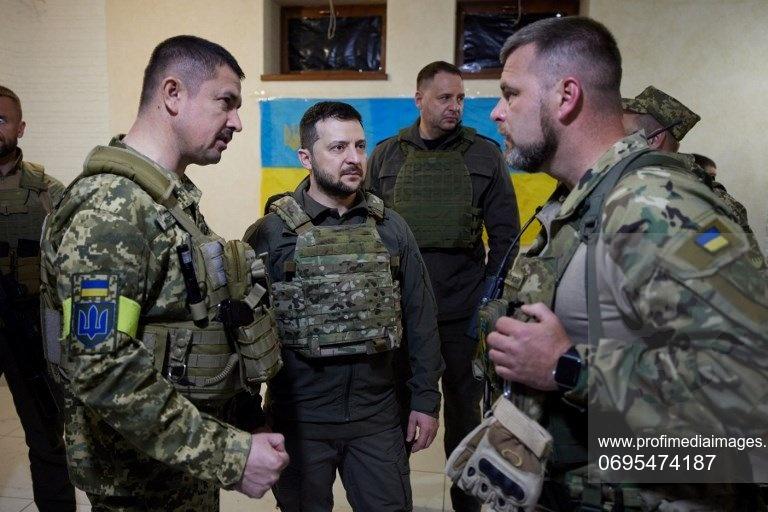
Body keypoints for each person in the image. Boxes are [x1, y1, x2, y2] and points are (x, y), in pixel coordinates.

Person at [481, 15, 767, 510]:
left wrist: (568, 366)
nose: (496, 112)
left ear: (566, 97)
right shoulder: (579, 202)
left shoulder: (656, 207)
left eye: (511, 94)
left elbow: (749, 393)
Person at [39, 35, 288, 511]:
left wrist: (242, 415)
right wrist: (232, 456)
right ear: (173, 94)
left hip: (177, 469)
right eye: (226, 102)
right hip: (138, 484)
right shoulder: (112, 210)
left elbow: (193, 326)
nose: (237, 121)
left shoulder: (166, 203)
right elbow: (100, 367)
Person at [243, 101, 443, 512]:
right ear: (306, 157)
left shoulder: (391, 228)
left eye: (360, 146)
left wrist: (426, 400)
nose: (354, 158)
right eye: (338, 148)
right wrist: (250, 416)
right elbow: (246, 330)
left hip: (377, 420)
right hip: (300, 421)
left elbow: (420, 317)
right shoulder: (271, 234)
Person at [367, 61, 519, 512]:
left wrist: (487, 303)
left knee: (464, 418)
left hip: (462, 314)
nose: (455, 106)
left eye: (460, 98)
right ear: (419, 100)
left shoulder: (485, 155)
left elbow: (506, 239)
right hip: (399, 315)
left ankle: (466, 506)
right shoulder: (386, 156)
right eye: (444, 98)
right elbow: (367, 232)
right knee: (392, 416)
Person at [0, 85, 76, 511]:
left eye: (1, 119)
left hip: (27, 328)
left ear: (21, 127)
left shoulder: (48, 192)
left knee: (47, 438)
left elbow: (72, 265)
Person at [623, 86, 753, 233]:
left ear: (654, 139)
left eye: (623, 134)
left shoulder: (707, 201)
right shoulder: (629, 183)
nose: (615, 144)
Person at [692, 152, 752, 233]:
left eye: (713, 178)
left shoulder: (678, 190)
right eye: (711, 177)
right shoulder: (716, 194)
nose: (713, 181)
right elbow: (741, 214)